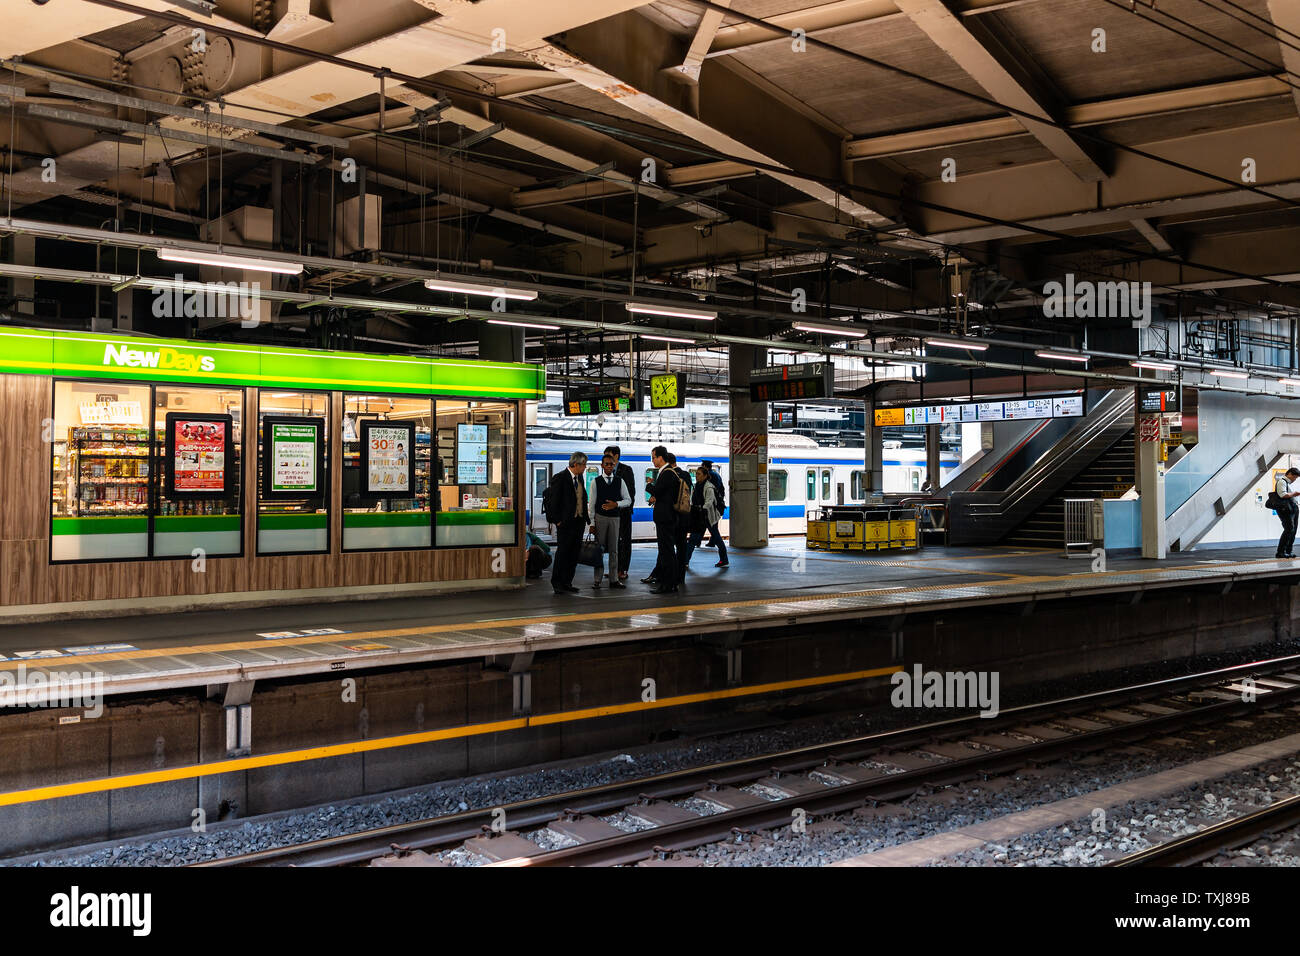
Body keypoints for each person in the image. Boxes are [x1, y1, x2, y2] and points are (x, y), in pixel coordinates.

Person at [547, 452, 589, 594]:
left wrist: (585, 518)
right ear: (576, 464)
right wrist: (557, 521)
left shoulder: (580, 478)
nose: (585, 468)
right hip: (565, 524)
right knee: (563, 553)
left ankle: (567, 582)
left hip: (578, 522)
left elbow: (582, 498)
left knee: (573, 554)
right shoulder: (560, 478)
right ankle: (557, 582)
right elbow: (553, 502)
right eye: (584, 465)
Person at [645, 445, 683, 594]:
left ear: (661, 458)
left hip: (665, 518)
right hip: (668, 517)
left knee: (666, 552)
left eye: (654, 457)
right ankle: (671, 583)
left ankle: (668, 584)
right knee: (668, 551)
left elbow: (658, 491)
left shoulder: (666, 473)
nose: (653, 460)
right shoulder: (670, 473)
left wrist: (649, 485)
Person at [590, 453, 630, 588]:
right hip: (600, 518)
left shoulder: (620, 481)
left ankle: (614, 579)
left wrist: (616, 504)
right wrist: (592, 523)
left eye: (611, 464)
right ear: (602, 465)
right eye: (606, 464)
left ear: (614, 465)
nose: (608, 466)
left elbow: (628, 500)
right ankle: (597, 580)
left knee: (614, 550)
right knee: (599, 550)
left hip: (615, 518)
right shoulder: (595, 482)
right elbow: (592, 505)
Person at [684, 464, 729, 570]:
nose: (697, 476)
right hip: (700, 516)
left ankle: (724, 559)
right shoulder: (698, 486)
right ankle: (685, 561)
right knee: (693, 538)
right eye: (696, 474)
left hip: (708, 516)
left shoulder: (708, 487)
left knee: (716, 538)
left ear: (705, 475)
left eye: (699, 474)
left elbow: (709, 501)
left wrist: (702, 509)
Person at [605, 445, 636, 583]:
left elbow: (631, 492)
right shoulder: (607, 469)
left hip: (623, 512)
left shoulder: (626, 470)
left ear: (616, 456)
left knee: (624, 542)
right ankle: (613, 569)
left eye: (609, 454)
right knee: (613, 542)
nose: (606, 457)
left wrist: (619, 504)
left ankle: (622, 569)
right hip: (610, 513)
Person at [668, 452, 692, 587]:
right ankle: (680, 576)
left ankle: (670, 575)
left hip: (672, 516)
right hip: (684, 516)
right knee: (682, 546)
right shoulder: (686, 475)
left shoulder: (670, 475)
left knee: (669, 547)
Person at [1274, 467, 1300, 559]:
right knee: (1289, 529)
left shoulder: (1289, 483)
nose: (1294, 479)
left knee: (1293, 530)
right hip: (1286, 509)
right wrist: (1295, 494)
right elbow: (1283, 494)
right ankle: (1280, 552)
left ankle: (1288, 551)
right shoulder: (1282, 481)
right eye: (1294, 477)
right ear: (1289, 474)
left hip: (1293, 508)